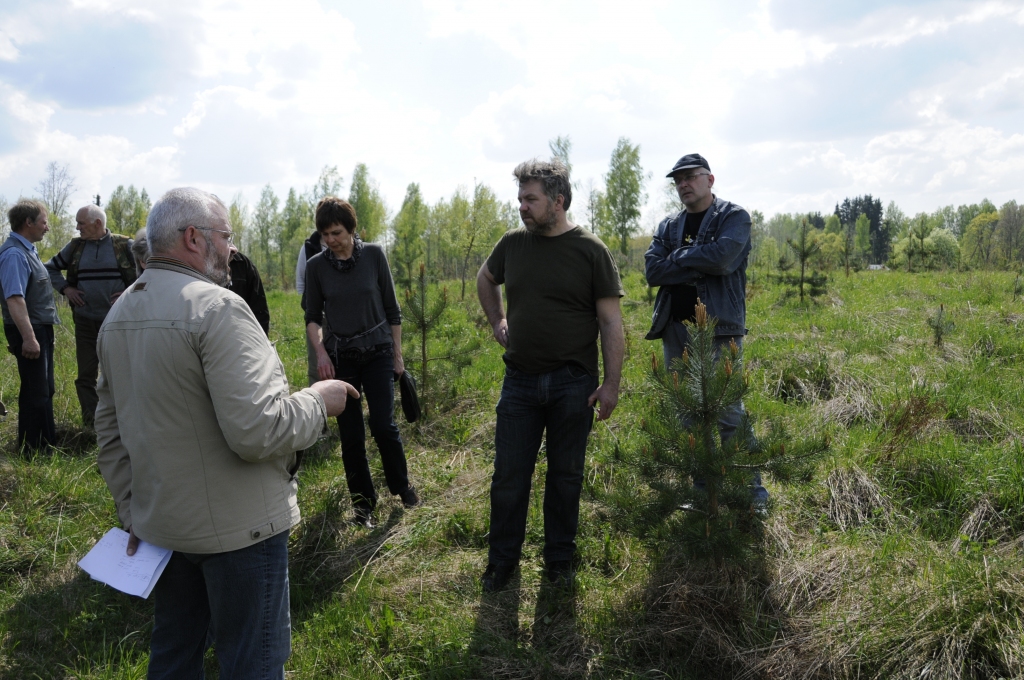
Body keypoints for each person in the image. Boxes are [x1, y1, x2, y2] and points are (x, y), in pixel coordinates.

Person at [94, 187, 359, 679]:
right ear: (193, 238)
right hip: (242, 531)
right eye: (226, 236)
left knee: (174, 655)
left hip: (162, 528)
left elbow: (109, 433)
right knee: (251, 663)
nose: (232, 249)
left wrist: (134, 511)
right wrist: (319, 403)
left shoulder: (118, 315)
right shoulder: (219, 309)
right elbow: (258, 431)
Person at [476, 159, 624, 592]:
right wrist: (497, 321)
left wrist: (611, 383)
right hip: (519, 380)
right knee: (508, 476)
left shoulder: (590, 250)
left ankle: (559, 561)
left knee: (565, 476)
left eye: (531, 198)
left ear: (558, 201)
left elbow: (611, 322)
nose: (522, 206)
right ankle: (502, 562)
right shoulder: (512, 244)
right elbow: (486, 279)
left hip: (572, 383)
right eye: (520, 198)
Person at [644, 153, 767, 502]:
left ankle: (750, 495)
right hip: (675, 330)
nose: (683, 184)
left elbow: (724, 259)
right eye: (678, 179)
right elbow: (653, 272)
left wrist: (679, 258)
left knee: (729, 414)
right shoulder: (669, 225)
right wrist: (701, 259)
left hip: (719, 330)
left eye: (690, 177)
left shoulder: (734, 217)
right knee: (687, 415)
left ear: (709, 180)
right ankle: (703, 494)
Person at [304, 197, 418, 529]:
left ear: (352, 229)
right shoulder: (316, 267)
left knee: (384, 425)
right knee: (351, 436)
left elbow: (392, 310)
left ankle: (402, 487)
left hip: (379, 352)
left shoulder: (374, 256)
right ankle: (363, 505)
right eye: (324, 234)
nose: (330, 240)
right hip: (342, 360)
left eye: (336, 232)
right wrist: (322, 353)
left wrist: (398, 355)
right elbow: (312, 318)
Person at [45, 205, 136, 429]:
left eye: (81, 223)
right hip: (85, 321)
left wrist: (129, 291)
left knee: (119, 374)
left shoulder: (125, 245)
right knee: (86, 376)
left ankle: (121, 425)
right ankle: (92, 426)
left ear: (97, 223)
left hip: (116, 322)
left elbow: (150, 272)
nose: (77, 228)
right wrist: (66, 289)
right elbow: (50, 269)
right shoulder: (75, 247)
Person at [0, 200, 59, 451]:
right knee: (36, 392)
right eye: (44, 222)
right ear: (29, 223)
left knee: (45, 389)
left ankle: (46, 444)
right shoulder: (14, 254)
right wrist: (29, 337)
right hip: (29, 329)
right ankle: (32, 449)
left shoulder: (27, 250)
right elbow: (14, 298)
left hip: (37, 328)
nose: (46, 228)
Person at [297, 229, 325, 385]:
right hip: (316, 316)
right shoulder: (309, 247)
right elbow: (301, 283)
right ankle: (318, 406)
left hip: (344, 314)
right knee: (317, 367)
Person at [228, 250, 271, 336]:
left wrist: (261, 342)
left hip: (242, 338)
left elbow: (260, 312)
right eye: (224, 237)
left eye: (229, 238)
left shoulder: (243, 264)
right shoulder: (198, 263)